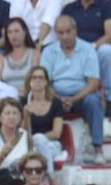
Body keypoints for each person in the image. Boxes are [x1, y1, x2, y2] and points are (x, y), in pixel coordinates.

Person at [41, 15, 105, 164]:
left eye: (68, 31)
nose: (65, 36)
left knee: (93, 100)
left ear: (75, 31)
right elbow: (44, 82)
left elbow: (93, 83)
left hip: (81, 96)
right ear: (56, 34)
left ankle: (98, 149)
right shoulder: (49, 51)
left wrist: (73, 99)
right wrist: (58, 98)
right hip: (56, 96)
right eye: (61, 33)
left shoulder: (88, 49)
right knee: (40, 99)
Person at [63, 0, 111, 117]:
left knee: (107, 51)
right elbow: (64, 34)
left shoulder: (106, 6)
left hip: (96, 49)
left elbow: (110, 35)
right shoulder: (69, 9)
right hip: (74, 51)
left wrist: (91, 47)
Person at [21, 64, 63, 172]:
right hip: (29, 145)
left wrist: (37, 139)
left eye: (41, 78)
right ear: (29, 82)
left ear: (46, 82)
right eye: (34, 78)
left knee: (39, 142)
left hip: (52, 144)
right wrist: (26, 116)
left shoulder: (56, 103)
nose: (37, 80)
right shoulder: (23, 103)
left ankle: (49, 175)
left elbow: (56, 133)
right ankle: (50, 178)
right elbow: (23, 133)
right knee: (35, 148)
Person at [0, 15, 39, 92]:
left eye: (16, 31)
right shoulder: (1, 57)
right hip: (6, 96)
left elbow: (36, 79)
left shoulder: (34, 54)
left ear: (24, 32)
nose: (13, 35)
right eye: (10, 32)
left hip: (29, 94)